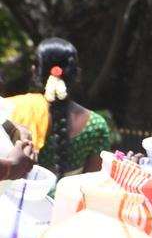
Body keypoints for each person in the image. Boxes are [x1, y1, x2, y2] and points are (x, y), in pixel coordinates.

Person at [6, 37, 111, 175]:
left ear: (34, 71)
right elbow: (93, 182)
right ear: (76, 74)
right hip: (72, 197)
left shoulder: (9, 108)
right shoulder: (96, 124)